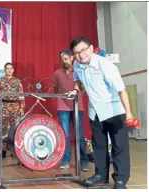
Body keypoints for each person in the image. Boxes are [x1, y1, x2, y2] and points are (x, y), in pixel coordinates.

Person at [67, 37, 133, 189]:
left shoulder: (105, 65)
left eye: (83, 50)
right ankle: (100, 175)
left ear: (90, 48)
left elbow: (121, 89)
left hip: (114, 110)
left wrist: (129, 113)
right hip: (95, 112)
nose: (81, 55)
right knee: (99, 146)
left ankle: (120, 179)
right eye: (76, 53)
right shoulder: (76, 64)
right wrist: (75, 90)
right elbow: (78, 81)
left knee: (119, 146)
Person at [53, 50, 89, 171]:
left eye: (66, 58)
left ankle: (83, 161)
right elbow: (55, 90)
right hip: (63, 107)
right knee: (65, 135)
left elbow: (83, 89)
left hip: (77, 107)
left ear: (72, 58)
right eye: (62, 59)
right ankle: (65, 160)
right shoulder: (57, 73)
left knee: (79, 135)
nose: (64, 61)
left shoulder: (79, 71)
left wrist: (75, 92)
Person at [0, 63, 25, 158]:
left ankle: (14, 150)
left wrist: (22, 107)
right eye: (7, 68)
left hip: (15, 106)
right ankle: (3, 150)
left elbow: (21, 94)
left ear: (13, 70)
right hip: (3, 106)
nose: (9, 70)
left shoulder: (17, 81)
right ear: (4, 70)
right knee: (3, 130)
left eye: (11, 68)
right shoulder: (0, 81)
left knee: (15, 129)